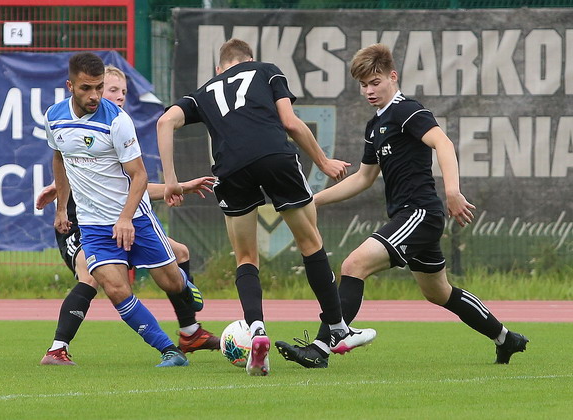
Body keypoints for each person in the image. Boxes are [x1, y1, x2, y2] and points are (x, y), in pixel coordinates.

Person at [275, 43, 529, 369]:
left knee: (353, 265)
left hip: (419, 214)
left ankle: (320, 349)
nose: (369, 91)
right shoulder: (375, 126)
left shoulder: (406, 110)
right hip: (411, 217)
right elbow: (364, 178)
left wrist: (452, 191)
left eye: (375, 82)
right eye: (363, 85)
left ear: (392, 77)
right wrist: (313, 200)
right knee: (439, 292)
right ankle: (506, 338)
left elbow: (443, 143)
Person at [157, 38, 376, 376]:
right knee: (310, 242)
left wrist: (171, 180)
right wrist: (323, 161)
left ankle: (256, 329)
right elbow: (290, 122)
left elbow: (164, 123)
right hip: (274, 156)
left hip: (231, 169)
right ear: (250, 59)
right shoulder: (266, 71)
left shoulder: (203, 92)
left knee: (246, 257)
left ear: (219, 68)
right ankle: (337, 327)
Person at [38, 65, 219, 366]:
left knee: (173, 281)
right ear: (70, 86)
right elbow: (61, 158)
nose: (96, 95)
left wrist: (126, 218)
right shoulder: (54, 117)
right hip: (93, 225)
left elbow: (139, 177)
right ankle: (169, 350)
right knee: (115, 288)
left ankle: (186, 301)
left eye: (101, 88)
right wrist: (60, 206)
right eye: (90, 88)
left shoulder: (118, 122)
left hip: (135, 220)